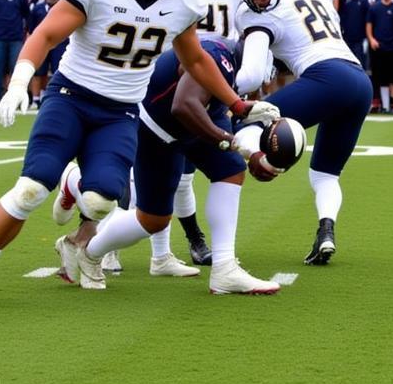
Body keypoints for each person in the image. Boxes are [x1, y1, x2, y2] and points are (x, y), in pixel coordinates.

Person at [0, 0, 280, 309]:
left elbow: (195, 60)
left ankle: (74, 185)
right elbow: (48, 33)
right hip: (70, 97)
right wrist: (20, 80)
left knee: (102, 202)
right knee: (31, 190)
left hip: (121, 111)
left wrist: (237, 103)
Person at [53, 40, 283, 295]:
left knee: (230, 170)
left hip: (181, 124)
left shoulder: (230, 63)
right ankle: (90, 251)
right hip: (156, 128)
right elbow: (184, 105)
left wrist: (257, 153)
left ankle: (224, 268)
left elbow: (215, 112)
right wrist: (230, 142)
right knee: (153, 219)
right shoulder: (218, 58)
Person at [234, 0, 373, 265]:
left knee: (249, 122)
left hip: (326, 77)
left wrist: (222, 91)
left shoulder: (256, 14)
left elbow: (252, 74)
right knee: (325, 173)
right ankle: (326, 230)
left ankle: (263, 163)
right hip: (359, 80)